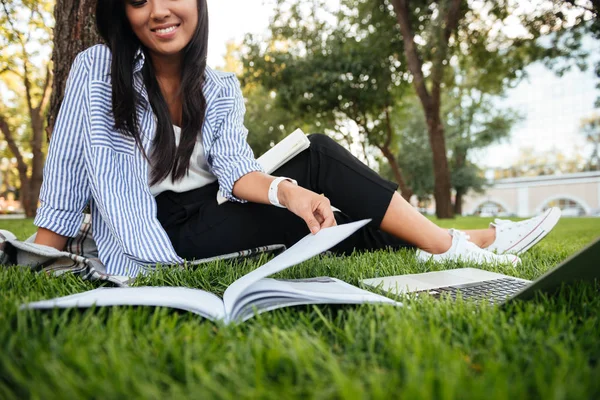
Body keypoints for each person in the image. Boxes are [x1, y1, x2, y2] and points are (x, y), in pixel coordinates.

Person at [33, 0, 561, 277]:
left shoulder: (217, 87)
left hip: (214, 211)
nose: (158, 11)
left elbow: (238, 172)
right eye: (139, 0)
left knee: (319, 188)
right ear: (123, 13)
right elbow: (67, 167)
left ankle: (455, 243)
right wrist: (44, 250)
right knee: (323, 153)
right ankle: (457, 245)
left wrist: (288, 192)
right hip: (157, 230)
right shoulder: (99, 69)